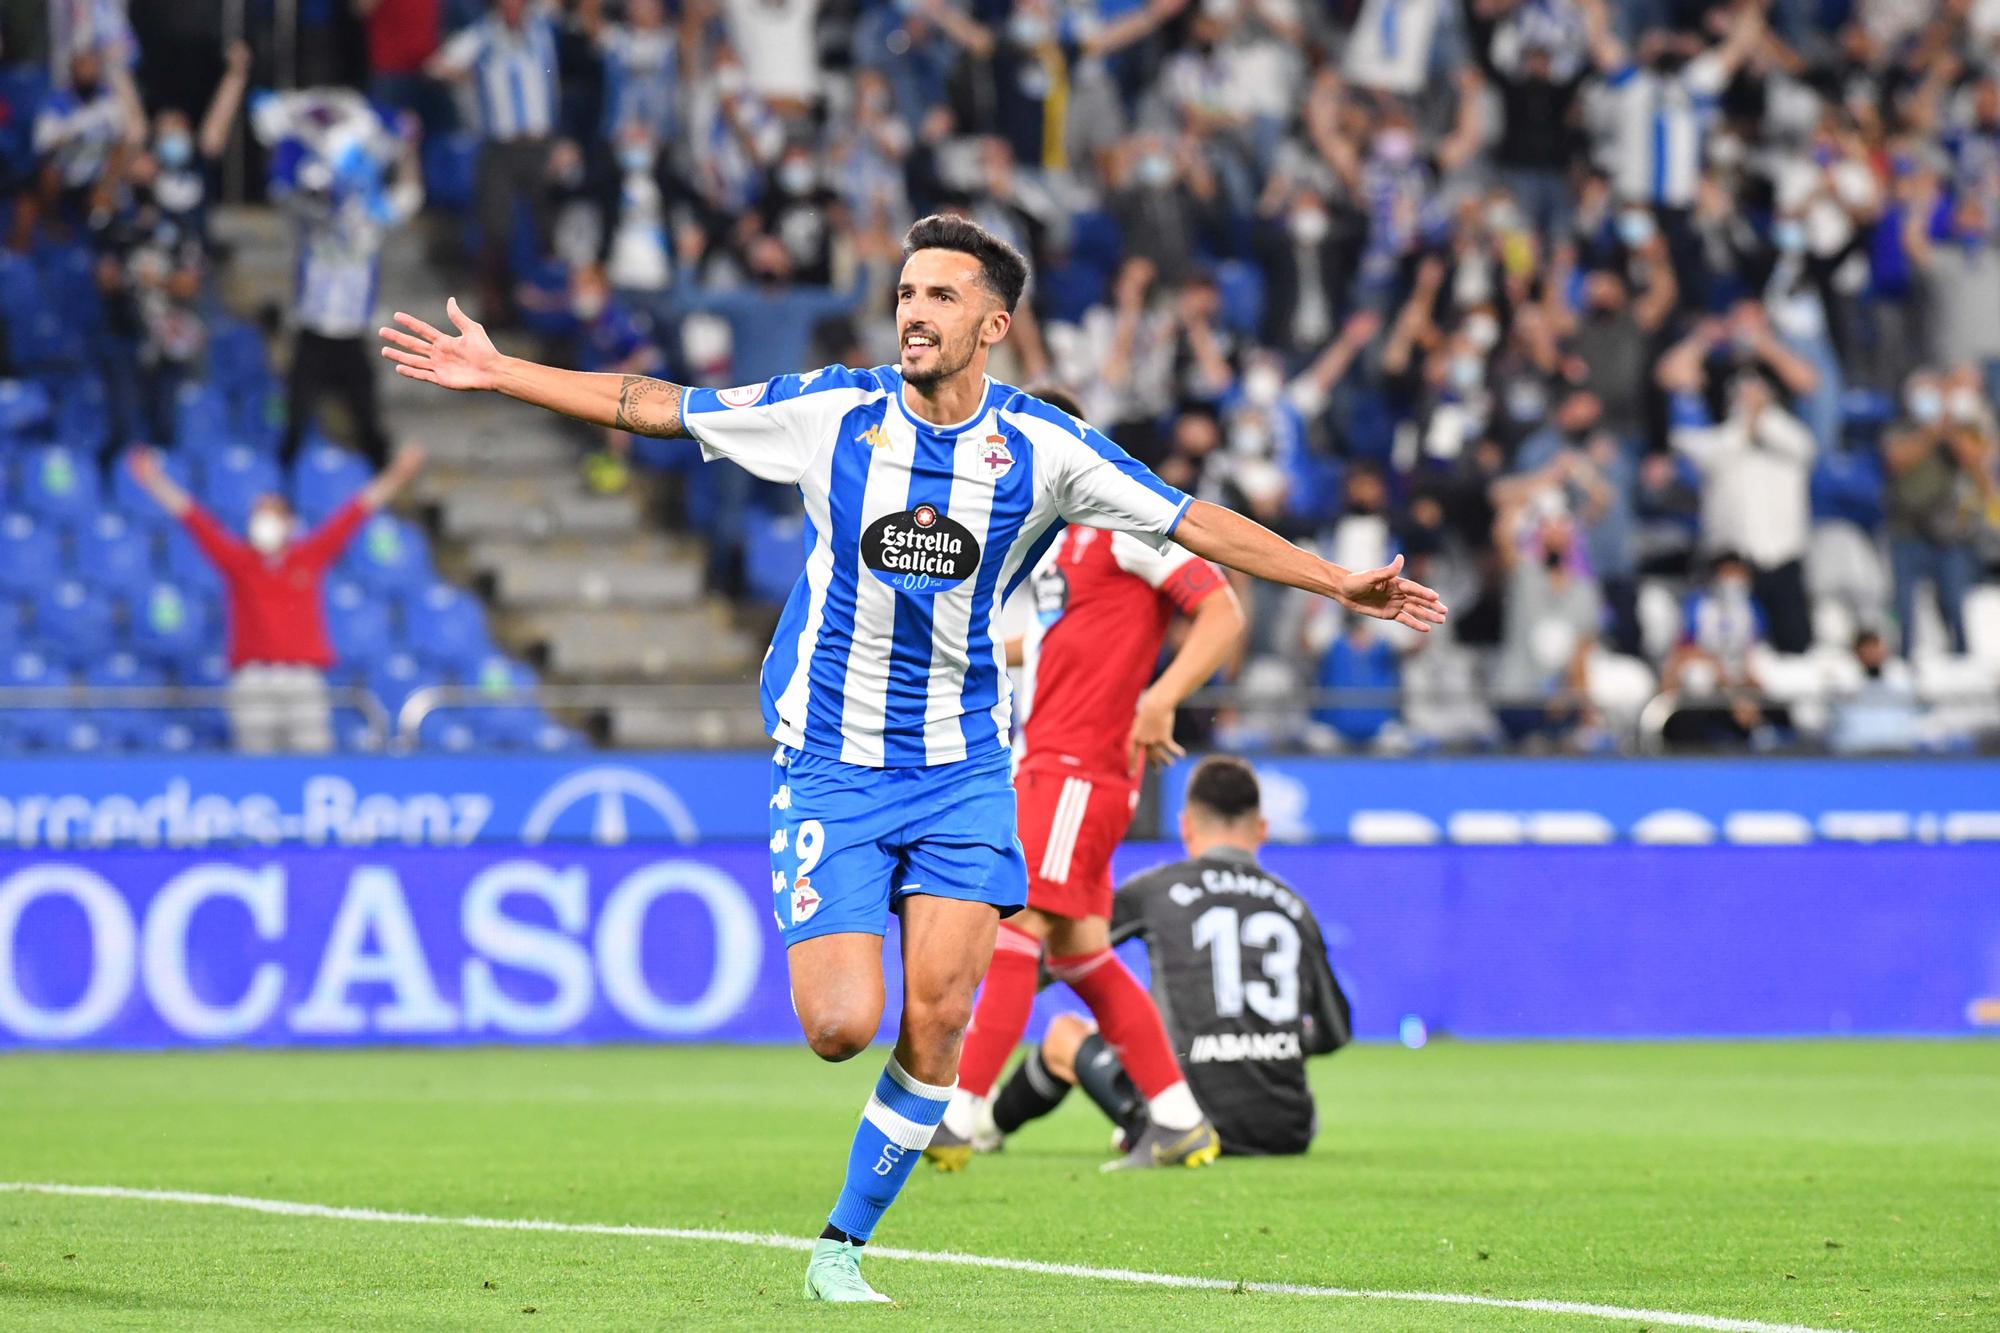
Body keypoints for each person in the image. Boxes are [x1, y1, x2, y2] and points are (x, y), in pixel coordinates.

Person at [377, 213, 1446, 1304]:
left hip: (965, 769)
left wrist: (1330, 580)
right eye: (903, 293)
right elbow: (651, 404)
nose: (912, 313)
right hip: (832, 764)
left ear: (992, 324)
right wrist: (501, 371)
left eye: (938, 297)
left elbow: (1191, 522)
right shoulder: (833, 412)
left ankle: (840, 1247)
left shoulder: (1042, 448)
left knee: (938, 1017)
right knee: (841, 1025)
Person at [927, 386, 1247, 1173]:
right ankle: (1177, 1119)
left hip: (1078, 768)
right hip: (1050, 762)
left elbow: (1224, 610)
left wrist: (1161, 699)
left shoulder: (1125, 521)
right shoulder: (1054, 544)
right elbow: (1044, 646)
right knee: (1081, 955)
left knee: (1018, 924)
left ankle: (958, 1116)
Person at [983, 755, 1350, 1158]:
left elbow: (1059, 953)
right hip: (1287, 1131)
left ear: (1185, 825)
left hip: (1194, 1115)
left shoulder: (1157, 890)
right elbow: (1335, 1032)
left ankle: (985, 1127)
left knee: (1064, 1035)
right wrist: (1262, 1042)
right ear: (1261, 829)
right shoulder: (1293, 907)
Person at [125, 445, 427, 754]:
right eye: (259, 514)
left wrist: (397, 474)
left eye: (271, 514)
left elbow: (356, 511)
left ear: (288, 522)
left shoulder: (309, 557)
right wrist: (153, 480)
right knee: (256, 767)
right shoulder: (239, 562)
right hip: (254, 681)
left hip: (302, 680)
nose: (263, 521)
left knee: (313, 762)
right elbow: (193, 518)